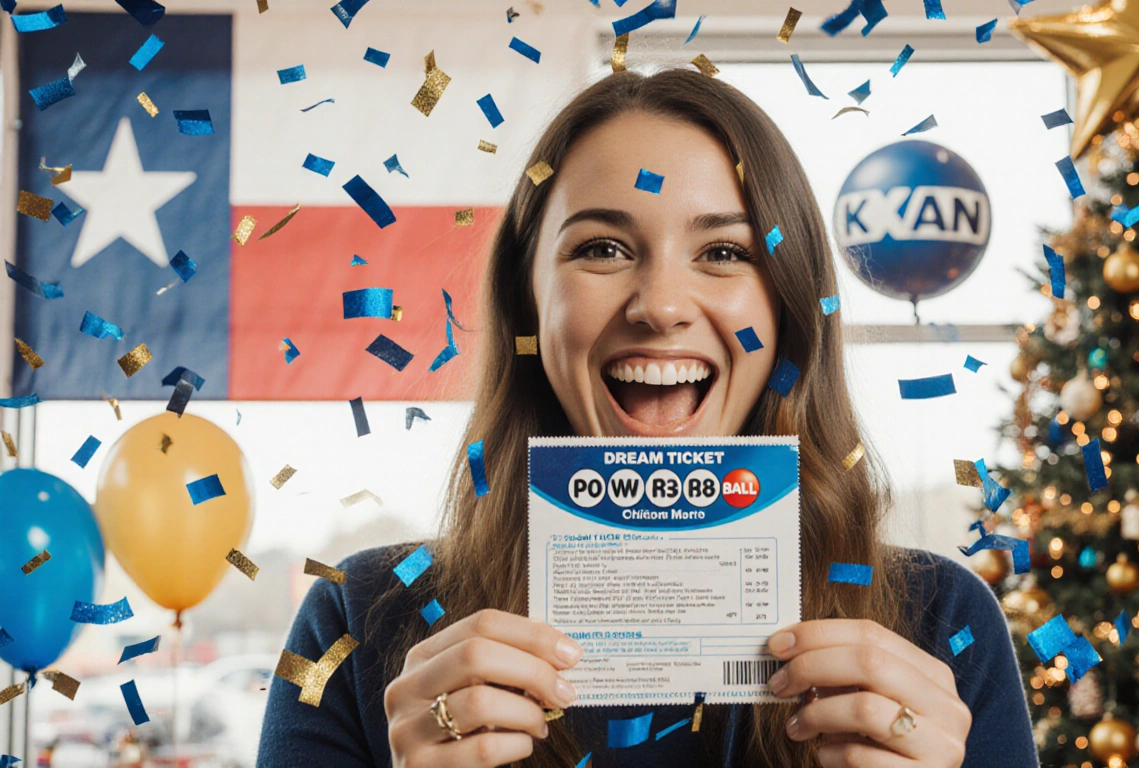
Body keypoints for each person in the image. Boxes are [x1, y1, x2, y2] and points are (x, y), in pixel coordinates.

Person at [258, 68, 1037, 768]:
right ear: (527, 300)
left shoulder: (939, 620)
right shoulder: (352, 622)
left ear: (791, 307)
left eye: (725, 253)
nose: (661, 306)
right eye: (601, 248)